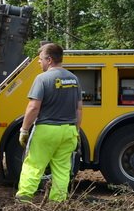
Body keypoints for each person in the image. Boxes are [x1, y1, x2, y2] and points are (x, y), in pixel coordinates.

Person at [15, 42, 83, 202]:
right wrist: (76, 131)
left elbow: (33, 107)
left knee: (34, 165)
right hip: (69, 131)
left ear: (50, 60)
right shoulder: (74, 79)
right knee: (62, 169)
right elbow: (79, 109)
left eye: (40, 59)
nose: (39, 62)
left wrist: (24, 130)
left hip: (47, 130)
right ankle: (57, 206)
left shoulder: (42, 79)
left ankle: (23, 201)